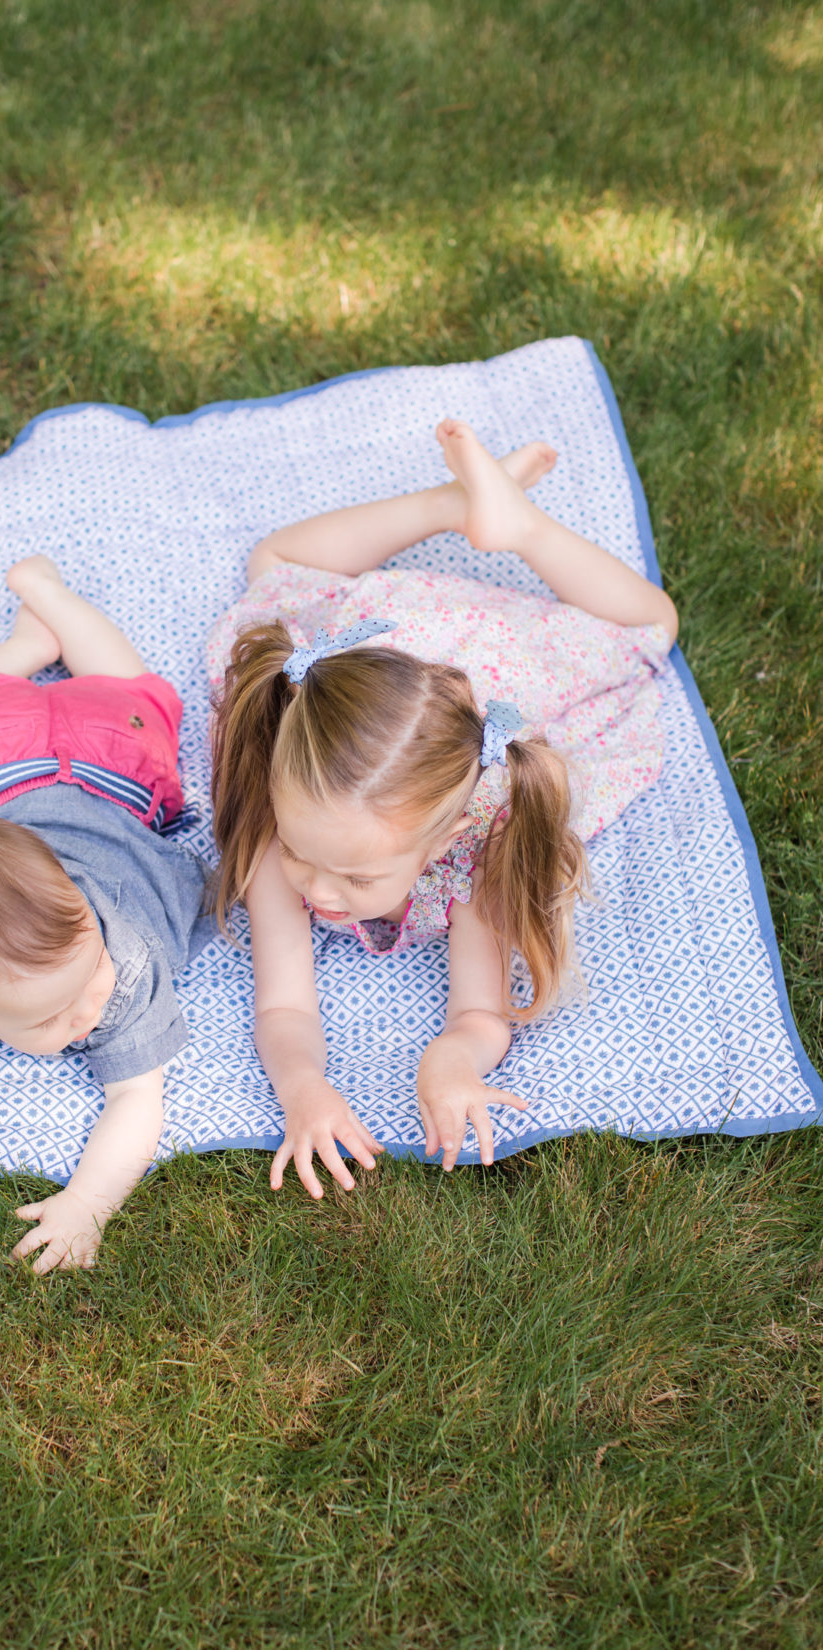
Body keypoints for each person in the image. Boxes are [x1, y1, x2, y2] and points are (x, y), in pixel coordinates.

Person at [208, 419, 678, 1197]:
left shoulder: (484, 843)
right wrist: (301, 1088)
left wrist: (450, 1061)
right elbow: (283, 1004)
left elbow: (479, 1014)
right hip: (379, 675)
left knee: (650, 626)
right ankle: (455, 502)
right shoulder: (283, 821)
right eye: (305, 857)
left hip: (487, 655)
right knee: (272, 566)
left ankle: (511, 523)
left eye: (357, 877)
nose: (318, 892)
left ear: (447, 837)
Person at [0, 556, 212, 1273]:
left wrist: (88, 1201)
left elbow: (137, 1100)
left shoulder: (124, 959)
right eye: (49, 1019)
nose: (92, 1009)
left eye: (87, 979)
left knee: (133, 696)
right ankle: (35, 642)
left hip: (56, 765)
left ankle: (41, 618)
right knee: (103, 697)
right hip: (36, 760)